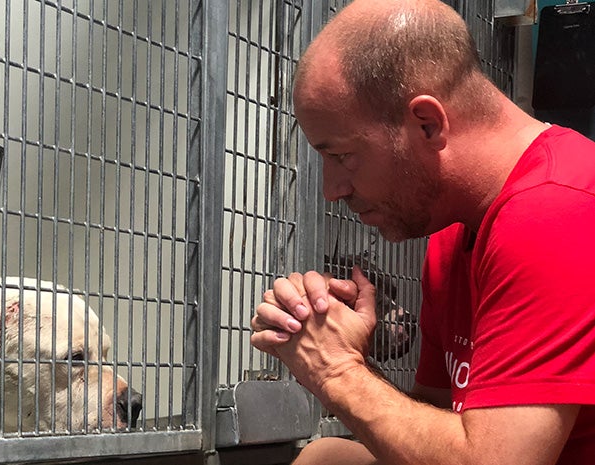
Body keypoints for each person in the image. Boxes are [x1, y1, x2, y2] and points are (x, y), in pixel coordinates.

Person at [249, 0, 595, 464]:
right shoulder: (453, 239)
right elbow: (430, 436)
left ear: (427, 124)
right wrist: (350, 353)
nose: (332, 190)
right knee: (326, 458)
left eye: (341, 155)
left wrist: (336, 369)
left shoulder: (558, 209)